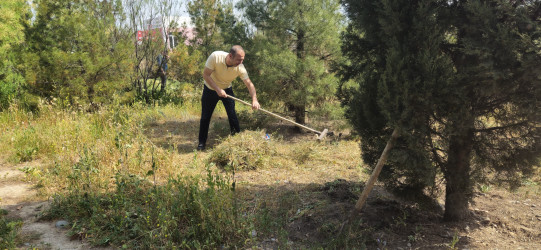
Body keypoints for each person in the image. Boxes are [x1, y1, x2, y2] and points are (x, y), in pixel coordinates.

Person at [197, 45, 260, 151]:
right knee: (205, 117)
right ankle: (201, 143)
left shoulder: (240, 68)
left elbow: (249, 84)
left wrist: (254, 99)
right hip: (210, 89)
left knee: (232, 115)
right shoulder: (215, 57)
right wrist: (217, 89)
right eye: (238, 60)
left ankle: (237, 140)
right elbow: (206, 75)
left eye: (242, 60)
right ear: (230, 56)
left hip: (227, 89)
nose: (240, 62)